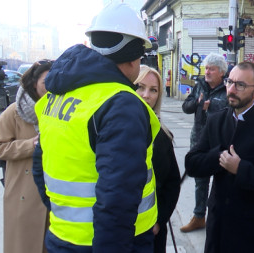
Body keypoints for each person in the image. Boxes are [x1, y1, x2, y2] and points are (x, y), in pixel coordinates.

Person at [32, 3, 160, 252]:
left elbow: (39, 163)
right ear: (134, 57)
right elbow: (118, 196)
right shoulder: (120, 103)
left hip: (61, 236)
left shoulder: (54, 96)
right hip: (112, 243)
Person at [185, 62, 254, 252]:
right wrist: (219, 157)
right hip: (218, 227)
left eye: (241, 85)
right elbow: (192, 163)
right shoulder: (216, 120)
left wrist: (241, 169)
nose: (232, 89)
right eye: (230, 82)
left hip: (251, 230)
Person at [0, 59, 52, 253]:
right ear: (34, 82)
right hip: (23, 196)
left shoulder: (59, 110)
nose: (51, 84)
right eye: (46, 80)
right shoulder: (14, 112)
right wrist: (30, 145)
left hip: (52, 194)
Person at [134, 65, 181, 253]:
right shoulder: (112, 130)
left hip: (150, 230)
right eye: (140, 87)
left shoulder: (162, 135)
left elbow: (171, 183)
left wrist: (159, 221)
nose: (146, 95)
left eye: (153, 90)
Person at [180, 52, 228, 233]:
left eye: (212, 69)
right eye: (206, 68)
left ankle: (219, 217)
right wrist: (198, 104)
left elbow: (230, 110)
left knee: (222, 181)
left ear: (221, 72)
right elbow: (186, 107)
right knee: (200, 181)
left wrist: (211, 107)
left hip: (220, 141)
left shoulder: (227, 88)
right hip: (200, 139)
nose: (207, 71)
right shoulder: (199, 85)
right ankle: (199, 217)